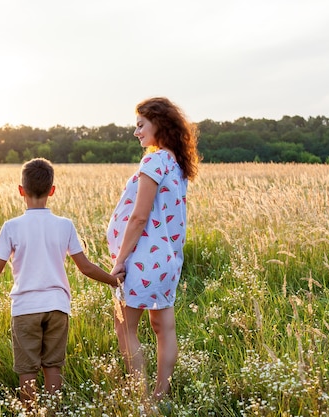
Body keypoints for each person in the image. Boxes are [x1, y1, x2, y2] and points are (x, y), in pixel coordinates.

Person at [0, 158, 124, 407]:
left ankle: (31, 411)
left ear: (21, 191)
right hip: (57, 307)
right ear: (52, 190)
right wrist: (113, 280)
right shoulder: (65, 225)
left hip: (25, 309)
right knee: (53, 365)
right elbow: (85, 267)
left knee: (27, 369)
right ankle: (52, 412)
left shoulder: (11, 227)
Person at [106, 97, 200, 402]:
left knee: (125, 327)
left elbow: (139, 216)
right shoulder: (178, 164)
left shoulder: (154, 160)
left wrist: (120, 260)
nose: (136, 132)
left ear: (158, 123)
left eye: (140, 125)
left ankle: (141, 396)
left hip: (143, 260)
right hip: (169, 259)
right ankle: (161, 394)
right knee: (163, 327)